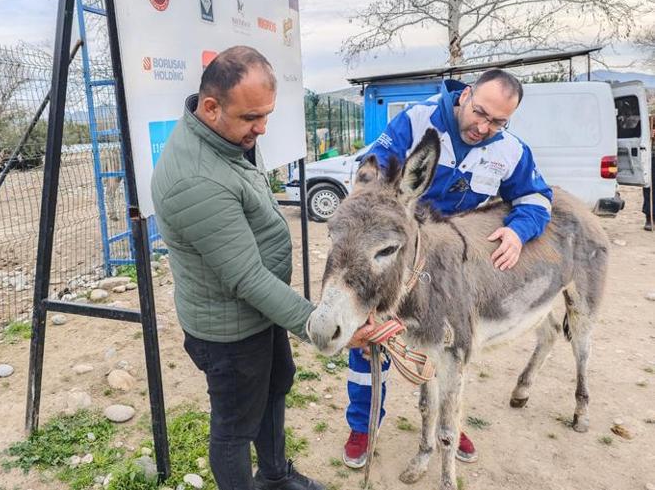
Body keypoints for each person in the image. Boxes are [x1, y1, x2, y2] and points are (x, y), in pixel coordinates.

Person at [152, 46, 369, 490]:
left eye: (267, 114)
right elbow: (246, 277)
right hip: (230, 333)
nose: (262, 127)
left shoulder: (225, 137)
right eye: (252, 117)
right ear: (211, 107)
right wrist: (320, 324)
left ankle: (274, 476)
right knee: (234, 428)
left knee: (275, 388)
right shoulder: (196, 179)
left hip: (259, 313)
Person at [343, 69, 553, 469]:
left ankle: (449, 421)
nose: (484, 127)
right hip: (396, 253)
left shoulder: (510, 150)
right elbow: (369, 172)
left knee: (450, 346)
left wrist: (518, 231)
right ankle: (363, 426)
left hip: (449, 266)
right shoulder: (416, 122)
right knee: (369, 338)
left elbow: (536, 198)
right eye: (480, 113)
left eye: (498, 122)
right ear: (466, 95)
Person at [642, 118, 655, 231]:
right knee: (648, 188)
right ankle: (649, 217)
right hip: (651, 157)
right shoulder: (650, 120)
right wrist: (649, 136)